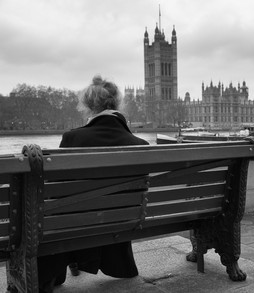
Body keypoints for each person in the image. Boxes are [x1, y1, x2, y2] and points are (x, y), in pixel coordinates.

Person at [38, 75, 149, 293]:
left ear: (88, 106)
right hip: (123, 219)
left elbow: (58, 191)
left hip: (78, 221)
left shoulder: (72, 139)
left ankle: (57, 266)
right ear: (117, 104)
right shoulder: (141, 145)